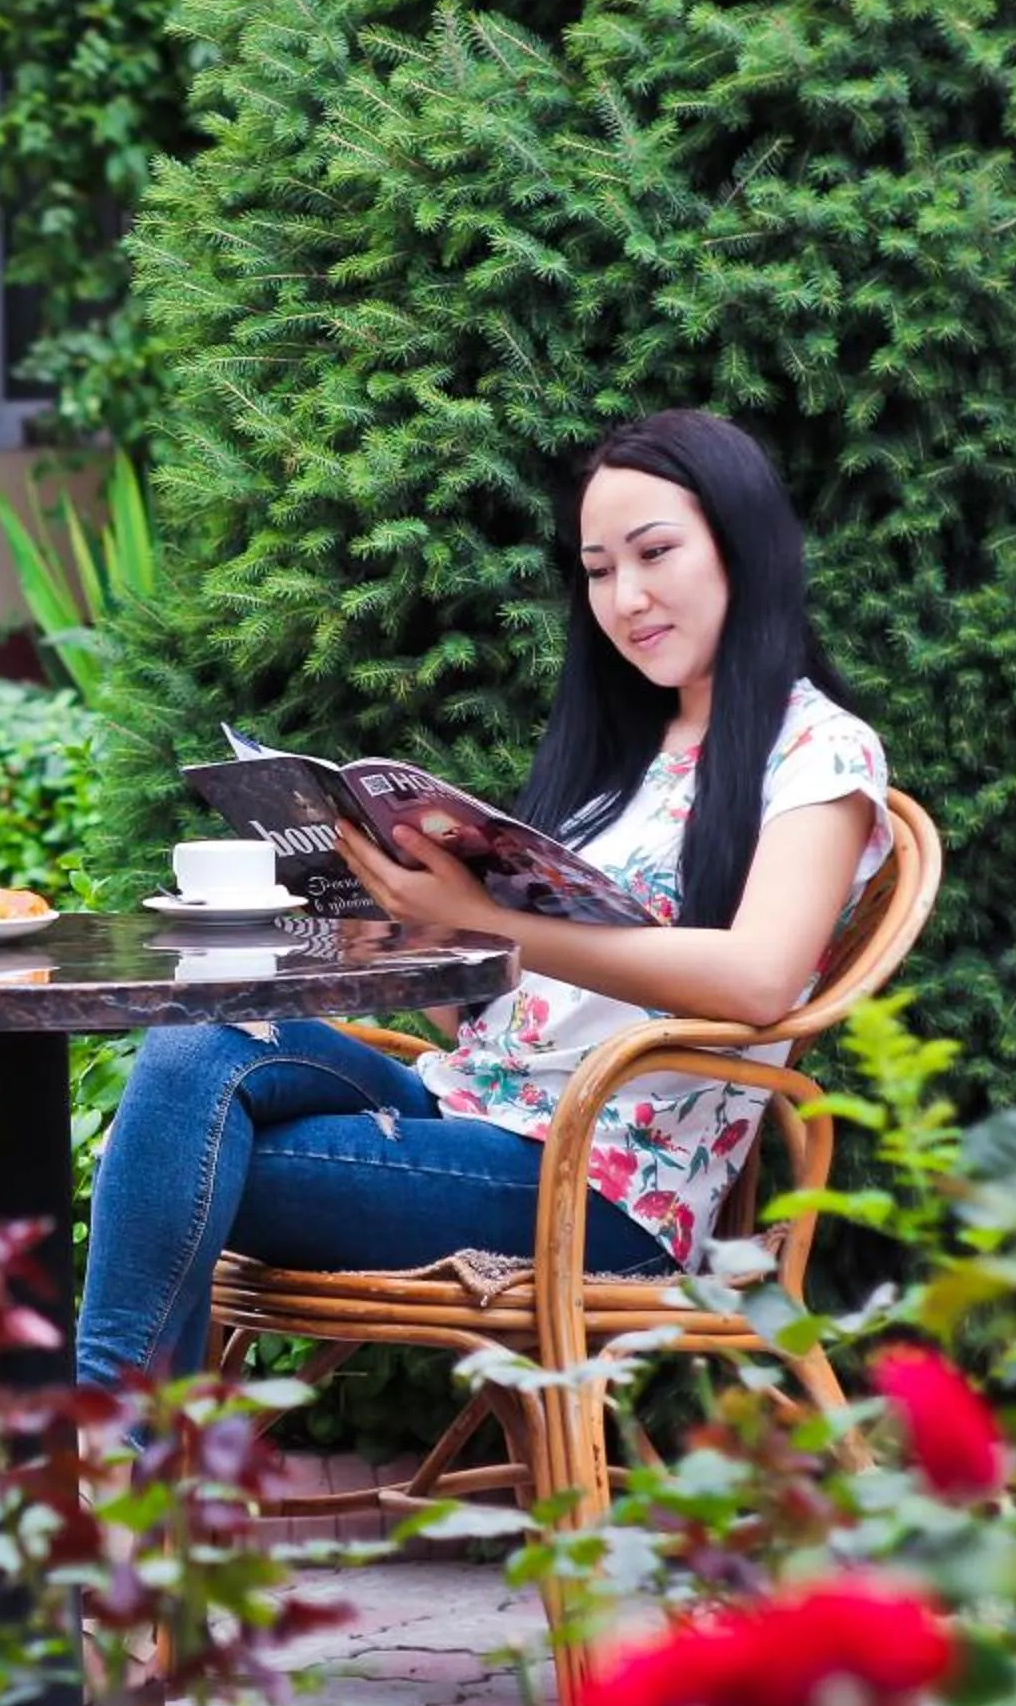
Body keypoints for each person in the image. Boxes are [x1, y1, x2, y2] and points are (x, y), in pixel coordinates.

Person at [72, 408, 894, 1392]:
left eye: (655, 552)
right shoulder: (618, 762)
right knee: (192, 1047)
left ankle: (101, 1479)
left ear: (744, 544)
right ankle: (117, 1472)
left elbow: (761, 978)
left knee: (166, 1149)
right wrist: (388, 905)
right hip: (464, 1106)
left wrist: (494, 921)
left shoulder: (819, 750)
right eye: (597, 569)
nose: (627, 596)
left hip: (594, 1187)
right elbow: (477, 1017)